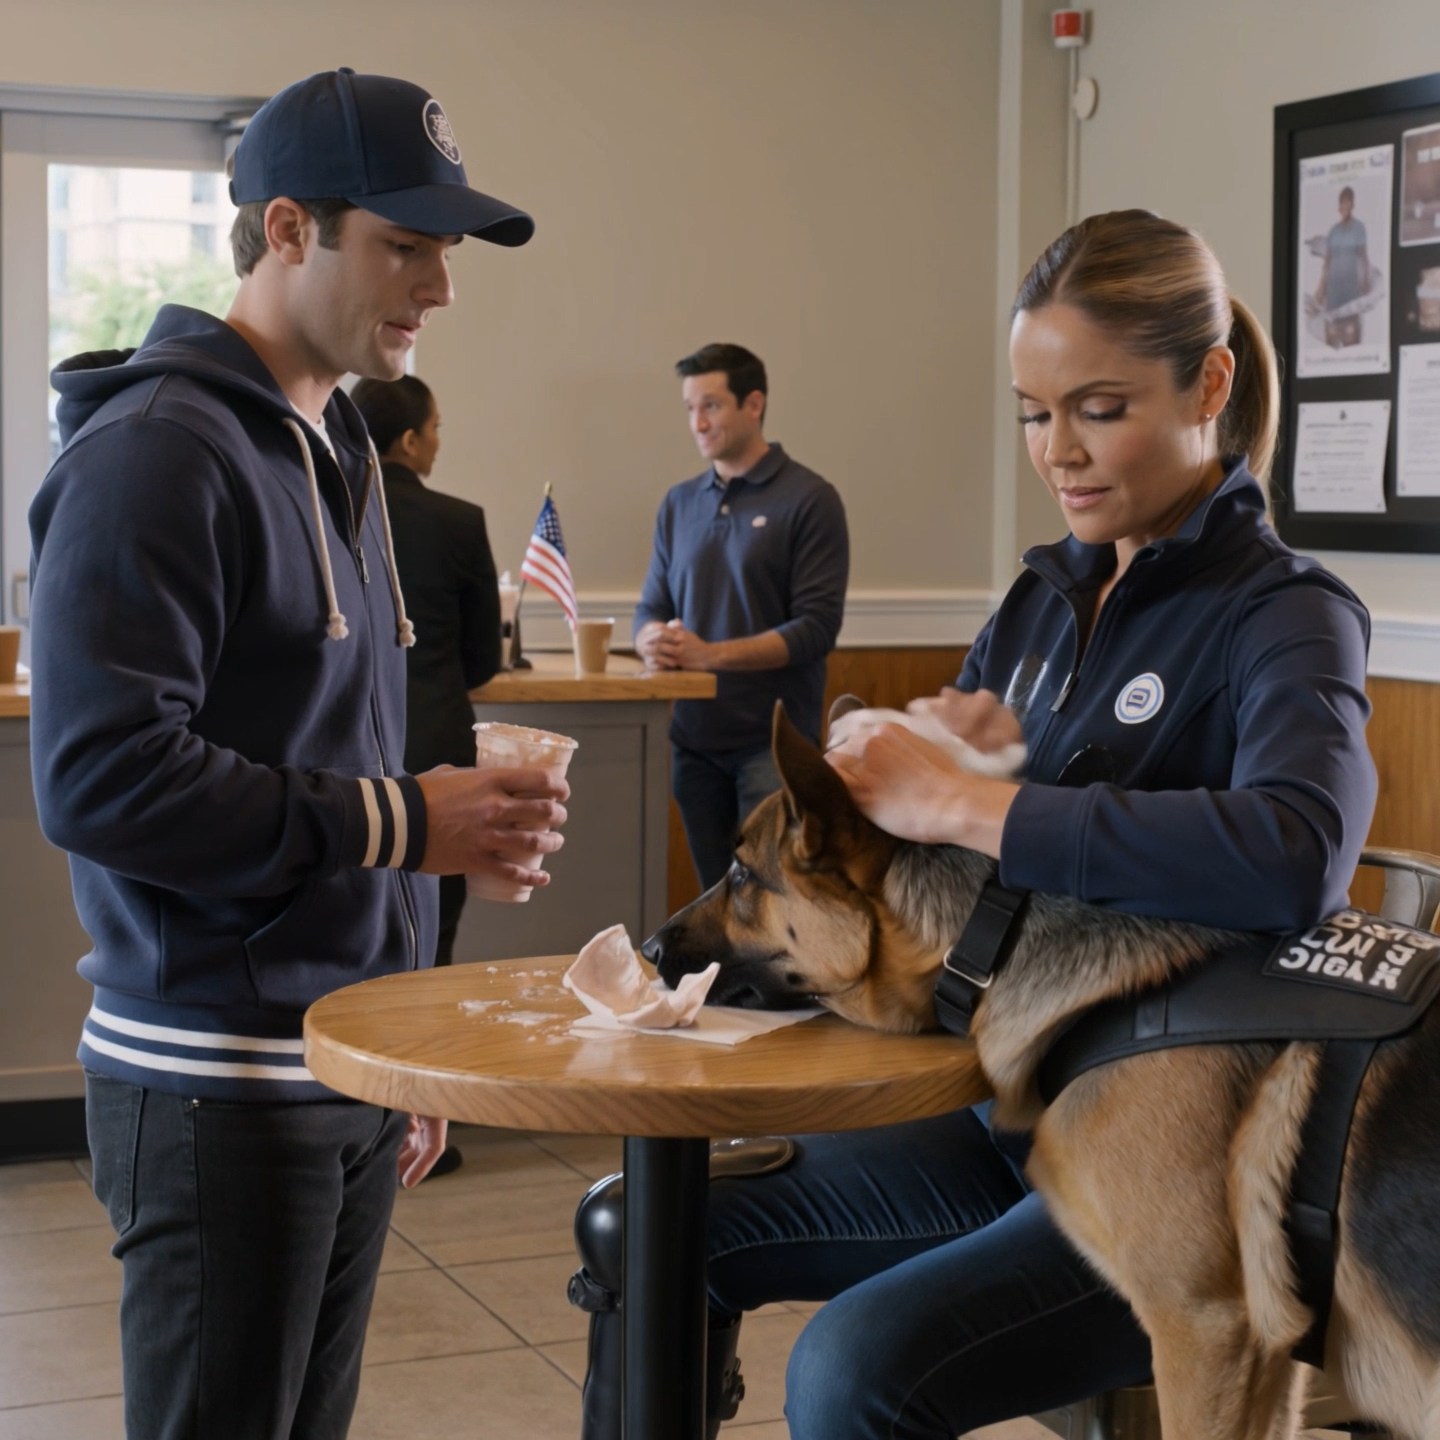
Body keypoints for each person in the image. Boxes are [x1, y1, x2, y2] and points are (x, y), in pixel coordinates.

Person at [577, 211, 1379, 1438]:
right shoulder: (1044, 600)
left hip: (1160, 1159)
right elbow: (942, 827)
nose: (1058, 451)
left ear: (1210, 385)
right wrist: (900, 753)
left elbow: (1296, 855)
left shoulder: (1286, 613)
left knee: (849, 1373)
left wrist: (970, 800)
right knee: (640, 1225)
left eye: (1098, 409)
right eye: (1032, 413)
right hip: (989, 1101)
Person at [28, 69, 567, 1440]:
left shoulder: (335, 444)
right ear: (285, 230)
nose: (440, 287)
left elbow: (347, 744)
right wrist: (409, 824)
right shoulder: (154, 453)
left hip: (341, 1062)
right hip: (214, 1080)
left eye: (445, 251)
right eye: (405, 246)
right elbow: (100, 780)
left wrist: (398, 1038)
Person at [634, 342, 848, 890]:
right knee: (716, 898)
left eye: (711, 406)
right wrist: (649, 638)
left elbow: (816, 628)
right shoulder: (679, 503)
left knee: (774, 900)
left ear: (754, 404)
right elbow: (651, 607)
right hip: (692, 741)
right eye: (689, 408)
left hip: (772, 744)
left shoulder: (810, 498)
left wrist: (710, 655)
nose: (697, 423)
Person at [351, 373, 501, 968]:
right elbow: (484, 660)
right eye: (435, 428)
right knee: (433, 932)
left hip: (344, 755)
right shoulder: (459, 521)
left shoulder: (324, 511)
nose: (438, 440)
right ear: (410, 441)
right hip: (439, 743)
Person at [1313, 184, 1371, 346]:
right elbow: (1327, 263)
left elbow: (1364, 257)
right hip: (1334, 289)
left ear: (1352, 204)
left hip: (1351, 287)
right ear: (1339, 206)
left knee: (1352, 327)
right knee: (1333, 328)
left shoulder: (1359, 228)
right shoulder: (1334, 231)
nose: (1345, 206)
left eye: (1348, 202)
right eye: (1342, 202)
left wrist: (1365, 281)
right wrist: (1321, 288)